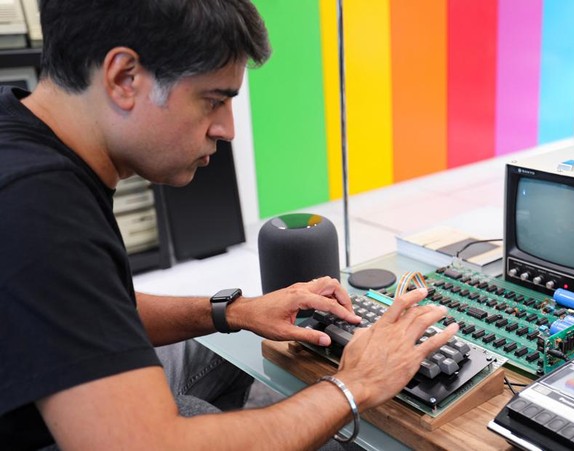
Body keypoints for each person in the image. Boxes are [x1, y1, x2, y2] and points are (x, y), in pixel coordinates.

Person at [0, 1, 458, 449]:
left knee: (223, 347)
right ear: (124, 78)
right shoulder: (40, 209)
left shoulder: (22, 134)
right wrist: (354, 385)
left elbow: (87, 306)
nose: (227, 129)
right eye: (214, 100)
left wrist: (233, 311)